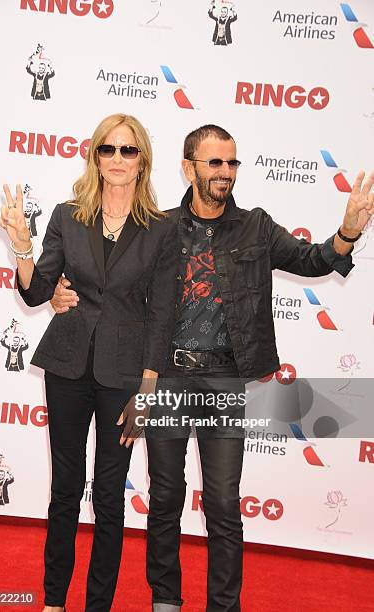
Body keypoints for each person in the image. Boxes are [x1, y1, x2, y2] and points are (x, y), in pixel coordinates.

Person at [50, 124, 374, 611]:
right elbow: (109, 285)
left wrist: (348, 230)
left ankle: (223, 606)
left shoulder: (257, 226)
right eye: (214, 163)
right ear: (189, 168)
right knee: (164, 499)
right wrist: (58, 293)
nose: (225, 172)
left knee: (223, 503)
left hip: (225, 378)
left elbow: (312, 260)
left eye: (232, 163)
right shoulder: (157, 225)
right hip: (168, 375)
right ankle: (166, 600)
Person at [0, 113, 178, 612]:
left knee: (110, 497)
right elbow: (37, 291)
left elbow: (162, 313)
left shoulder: (162, 229)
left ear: (142, 160)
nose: (117, 159)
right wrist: (22, 245)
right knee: (65, 488)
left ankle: (97, 604)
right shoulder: (66, 215)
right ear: (95, 156)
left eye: (128, 150)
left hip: (126, 375)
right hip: (68, 363)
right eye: (108, 149)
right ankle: (54, 600)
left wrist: (148, 389)